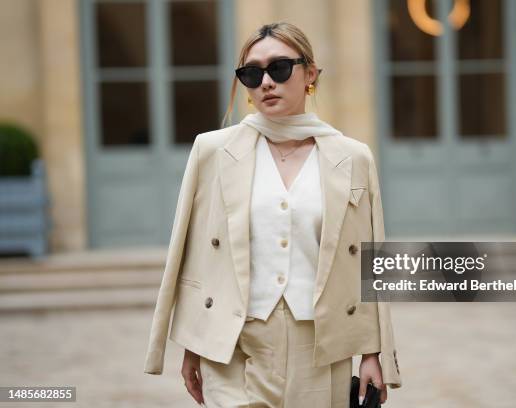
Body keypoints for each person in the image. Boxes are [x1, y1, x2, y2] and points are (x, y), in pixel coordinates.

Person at [143, 21, 402, 408]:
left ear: (310, 74)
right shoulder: (212, 151)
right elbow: (197, 256)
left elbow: (369, 262)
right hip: (231, 344)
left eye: (279, 69)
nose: (266, 81)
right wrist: (193, 346)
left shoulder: (352, 157)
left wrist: (371, 353)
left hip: (320, 345)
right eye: (252, 73)